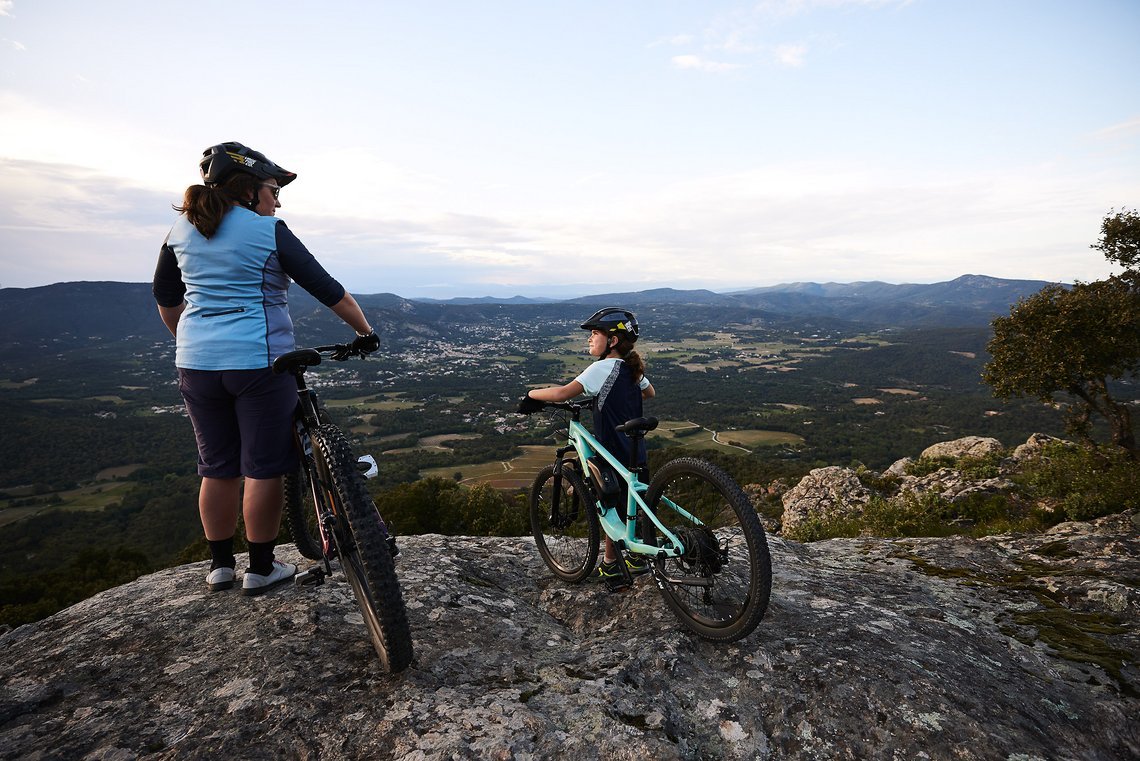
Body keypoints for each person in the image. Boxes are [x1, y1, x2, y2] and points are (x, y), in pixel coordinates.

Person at [152, 141, 380, 596]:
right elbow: (330, 291)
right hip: (259, 363)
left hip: (196, 364)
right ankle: (260, 568)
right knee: (263, 467)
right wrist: (364, 332)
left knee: (216, 467)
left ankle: (219, 567)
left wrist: (192, 340)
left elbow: (166, 299)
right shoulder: (267, 230)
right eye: (273, 189)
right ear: (248, 191)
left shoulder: (181, 230)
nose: (277, 199)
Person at [518, 307, 655, 591]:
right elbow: (648, 392)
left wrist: (531, 395)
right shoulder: (631, 368)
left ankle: (617, 562)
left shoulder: (602, 368)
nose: (590, 340)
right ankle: (613, 562)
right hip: (633, 450)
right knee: (619, 509)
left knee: (608, 500)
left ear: (613, 341)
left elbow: (562, 394)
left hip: (611, 451)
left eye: (595, 334)